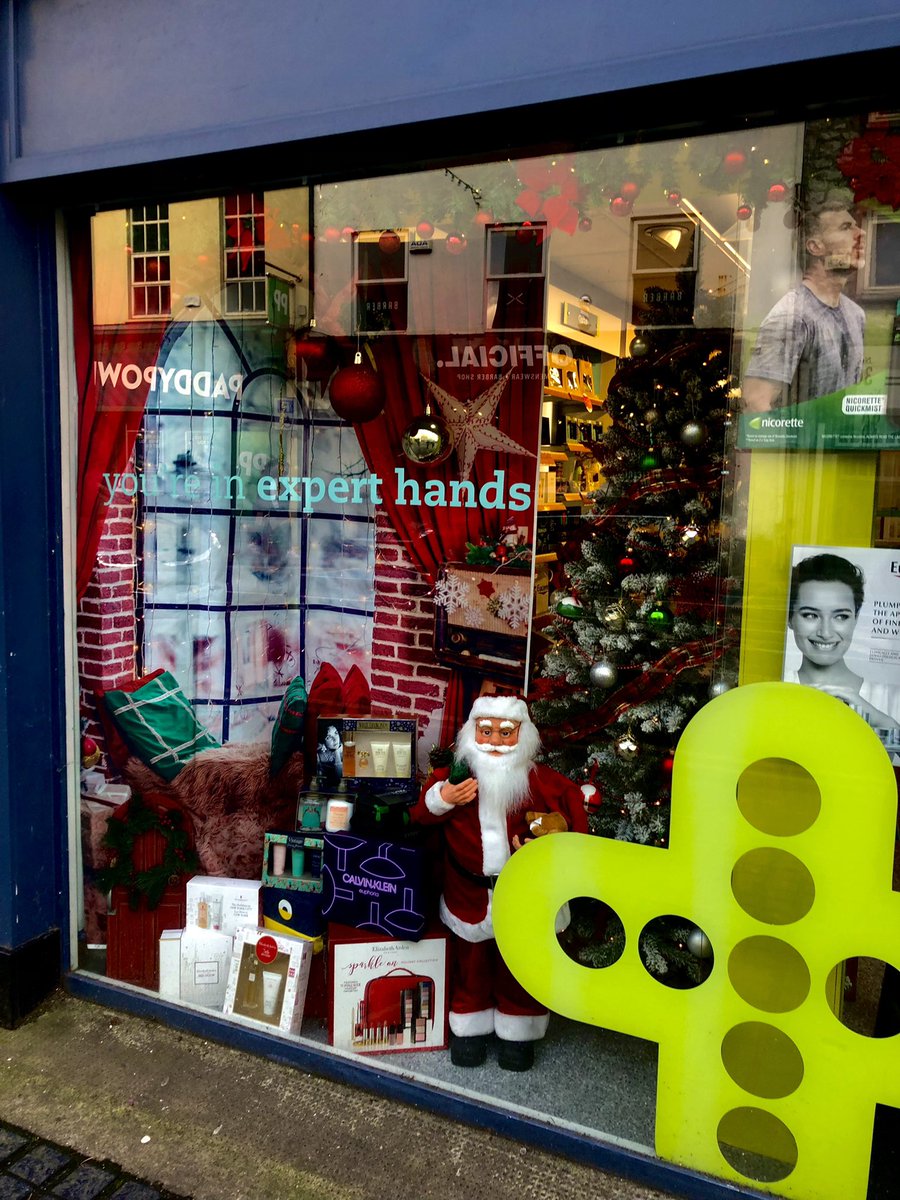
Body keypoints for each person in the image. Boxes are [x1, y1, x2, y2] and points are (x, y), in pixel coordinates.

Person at [412, 694, 588, 1072]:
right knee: (471, 964)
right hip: (469, 893)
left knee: (519, 965)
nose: (494, 740)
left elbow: (572, 816)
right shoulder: (456, 776)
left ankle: (518, 1034)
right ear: (472, 732)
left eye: (506, 733)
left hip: (523, 895)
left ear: (522, 735)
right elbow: (420, 815)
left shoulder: (541, 781)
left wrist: (551, 834)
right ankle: (469, 1028)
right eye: (486, 731)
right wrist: (442, 798)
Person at [743, 200, 866, 412]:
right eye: (846, 227)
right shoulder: (791, 316)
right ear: (815, 247)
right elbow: (756, 402)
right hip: (804, 443)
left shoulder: (856, 315)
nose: (860, 233)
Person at [785, 553, 900, 738]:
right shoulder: (777, 686)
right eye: (810, 615)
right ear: (790, 618)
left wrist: (880, 720)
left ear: (856, 618)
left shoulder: (888, 696)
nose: (825, 632)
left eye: (841, 616)